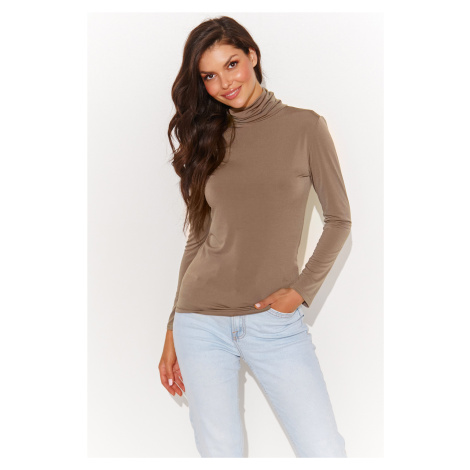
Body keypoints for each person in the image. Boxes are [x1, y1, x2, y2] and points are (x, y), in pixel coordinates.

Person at [158, 16, 352, 458]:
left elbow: (339, 220)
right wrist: (172, 327)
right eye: (209, 76)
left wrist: (300, 291)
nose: (225, 83)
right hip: (199, 322)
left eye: (231, 64)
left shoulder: (305, 127)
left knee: (324, 450)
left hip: (274, 323)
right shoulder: (208, 139)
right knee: (221, 453)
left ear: (252, 56)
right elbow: (198, 238)